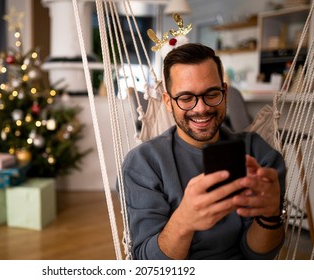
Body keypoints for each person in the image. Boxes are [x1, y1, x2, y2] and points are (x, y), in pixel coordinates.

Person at [121, 43, 286, 260]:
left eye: (211, 94)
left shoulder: (259, 154)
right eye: (186, 98)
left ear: (225, 93)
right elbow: (147, 264)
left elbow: (258, 256)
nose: (201, 108)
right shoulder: (144, 163)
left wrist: (270, 216)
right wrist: (184, 221)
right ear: (168, 102)